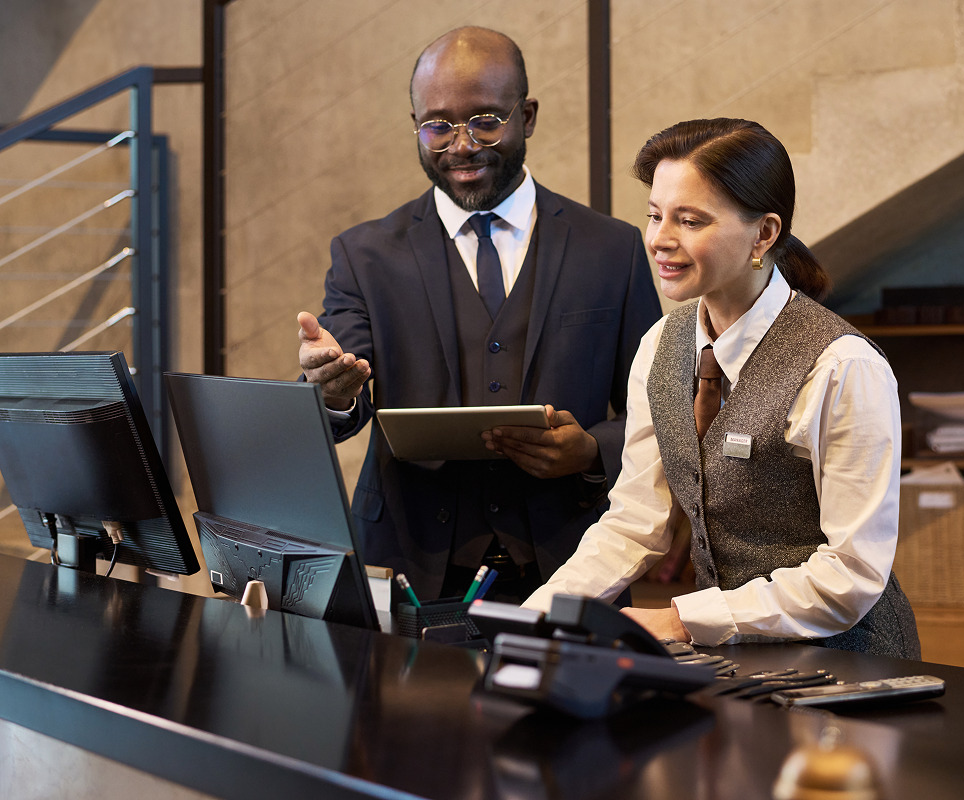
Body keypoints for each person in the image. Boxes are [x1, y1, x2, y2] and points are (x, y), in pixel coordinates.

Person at [524, 118, 920, 658]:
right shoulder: (661, 346)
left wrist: (683, 620)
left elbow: (851, 575)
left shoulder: (842, 366)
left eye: (690, 220)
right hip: (735, 660)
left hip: (848, 666)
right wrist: (537, 616)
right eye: (655, 215)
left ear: (764, 233)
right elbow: (637, 522)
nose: (661, 239)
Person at [297, 27, 661, 604]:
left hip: (573, 566)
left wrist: (593, 451)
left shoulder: (611, 250)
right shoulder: (364, 254)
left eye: (486, 119)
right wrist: (332, 389)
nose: (461, 145)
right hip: (409, 568)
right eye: (437, 125)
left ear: (528, 116)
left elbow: (657, 411)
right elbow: (341, 403)